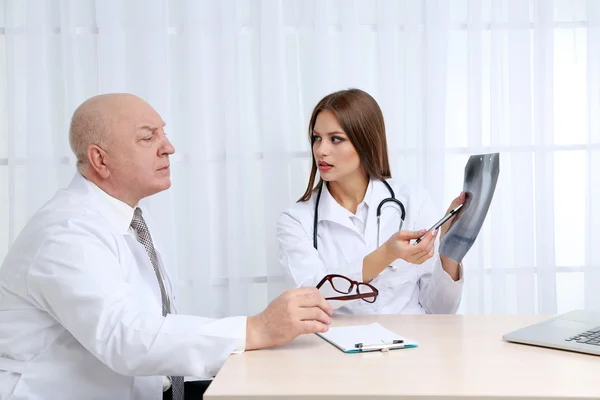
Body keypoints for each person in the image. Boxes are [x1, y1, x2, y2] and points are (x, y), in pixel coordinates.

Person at [0, 93, 333, 400]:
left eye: (163, 133)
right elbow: (125, 339)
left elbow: (151, 327)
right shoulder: (66, 234)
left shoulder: (128, 218)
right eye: (148, 138)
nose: (168, 147)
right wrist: (255, 329)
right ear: (100, 160)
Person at [276, 88, 465, 315]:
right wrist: (387, 254)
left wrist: (449, 249)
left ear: (365, 142)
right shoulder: (296, 220)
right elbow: (310, 300)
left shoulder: (414, 200)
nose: (321, 150)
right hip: (338, 347)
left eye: (336, 139)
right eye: (317, 138)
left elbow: (440, 312)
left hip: (413, 344)